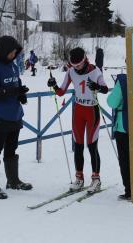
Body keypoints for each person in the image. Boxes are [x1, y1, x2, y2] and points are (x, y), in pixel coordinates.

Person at [47, 47, 108, 193]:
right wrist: (53, 85)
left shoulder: (95, 71)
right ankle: (79, 178)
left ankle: (96, 179)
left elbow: (105, 89)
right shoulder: (71, 72)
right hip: (78, 112)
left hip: (92, 111)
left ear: (85, 60)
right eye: (74, 66)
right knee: (78, 146)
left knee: (92, 145)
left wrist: (97, 87)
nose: (77, 68)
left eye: (79, 65)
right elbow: (61, 92)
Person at [0, 36, 32, 200]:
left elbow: (16, 82)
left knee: (12, 145)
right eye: (11, 52)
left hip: (14, 112)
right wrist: (13, 92)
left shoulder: (13, 65)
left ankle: (13, 180)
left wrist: (21, 93)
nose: (13, 55)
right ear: (3, 51)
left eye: (15, 53)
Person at [107, 74, 133, 201]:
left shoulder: (123, 80)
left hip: (124, 126)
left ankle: (130, 191)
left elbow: (112, 102)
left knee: (126, 160)